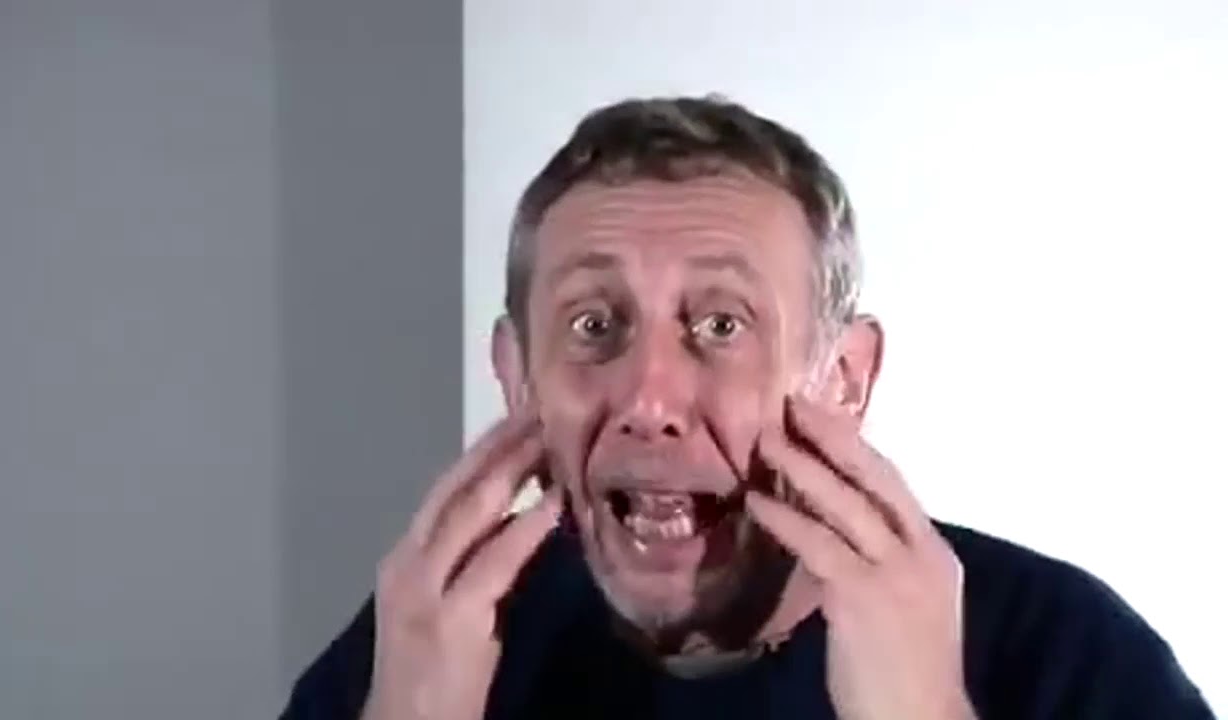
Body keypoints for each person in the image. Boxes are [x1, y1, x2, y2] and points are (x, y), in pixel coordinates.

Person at [278, 96, 1215, 720]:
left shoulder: (1064, 652)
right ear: (519, 378)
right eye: (594, 324)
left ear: (844, 379)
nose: (648, 399)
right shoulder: (419, 645)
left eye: (721, 325)